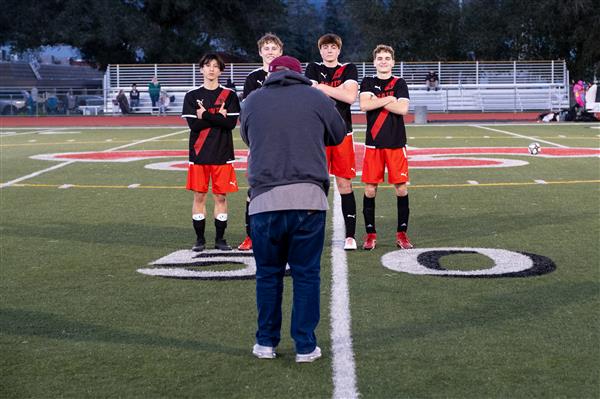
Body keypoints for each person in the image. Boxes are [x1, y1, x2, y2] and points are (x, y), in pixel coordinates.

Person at [240, 55, 346, 362]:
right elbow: (338, 135)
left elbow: (248, 137)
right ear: (300, 74)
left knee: (268, 275)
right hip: (308, 198)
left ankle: (265, 342)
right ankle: (304, 345)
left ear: (270, 74)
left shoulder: (252, 100)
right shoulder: (316, 96)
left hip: (264, 200)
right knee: (306, 275)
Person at [181, 54, 240, 251]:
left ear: (221, 71)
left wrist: (205, 114)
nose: (211, 69)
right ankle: (199, 240)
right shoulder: (191, 95)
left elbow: (230, 124)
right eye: (207, 66)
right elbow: (194, 126)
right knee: (199, 196)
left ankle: (220, 240)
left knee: (221, 197)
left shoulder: (229, 95)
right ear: (201, 69)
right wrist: (217, 117)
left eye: (215, 66)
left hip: (223, 154)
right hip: (199, 154)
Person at [305, 33, 359, 250]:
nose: (329, 50)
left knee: (344, 183)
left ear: (339, 50)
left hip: (342, 133)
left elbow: (350, 98)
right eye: (325, 47)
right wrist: (339, 91)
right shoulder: (312, 67)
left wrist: (321, 87)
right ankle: (313, 234)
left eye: (333, 47)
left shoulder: (349, 68)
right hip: (317, 134)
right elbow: (311, 96)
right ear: (320, 51)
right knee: (316, 185)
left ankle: (351, 236)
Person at [359, 44, 414, 251]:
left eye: (387, 58)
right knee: (370, 189)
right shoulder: (367, 81)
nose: (383, 61)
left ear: (393, 62)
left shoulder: (399, 82)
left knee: (401, 188)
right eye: (379, 58)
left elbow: (403, 109)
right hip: (373, 144)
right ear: (374, 62)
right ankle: (370, 234)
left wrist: (378, 100)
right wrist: (390, 98)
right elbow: (364, 105)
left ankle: (402, 234)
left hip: (396, 143)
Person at [237, 32, 284, 251]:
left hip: (284, 140)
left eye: (274, 48)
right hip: (260, 140)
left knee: (284, 187)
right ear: (260, 52)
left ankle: (279, 232)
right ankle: (251, 235)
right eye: (266, 48)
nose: (270, 52)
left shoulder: (288, 75)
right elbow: (247, 111)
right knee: (255, 188)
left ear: (280, 52)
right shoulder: (252, 78)